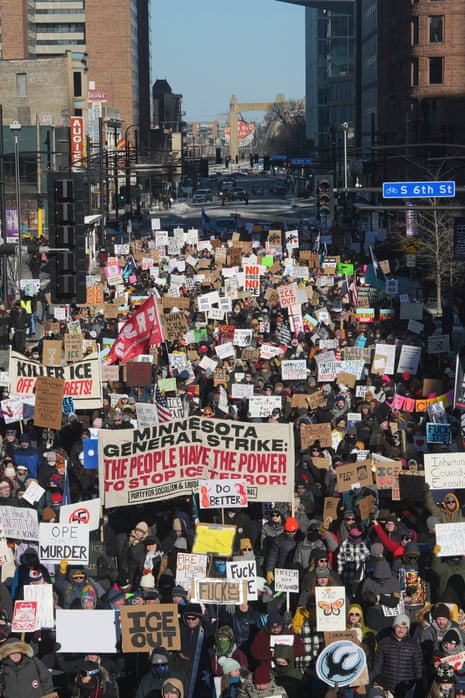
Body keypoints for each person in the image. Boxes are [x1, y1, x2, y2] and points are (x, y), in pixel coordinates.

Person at [372, 613, 423, 698]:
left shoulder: (414, 645)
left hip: (407, 688)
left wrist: (419, 687)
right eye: (398, 627)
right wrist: (377, 682)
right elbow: (378, 666)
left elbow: (418, 668)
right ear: (394, 627)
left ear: (407, 629)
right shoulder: (384, 643)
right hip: (388, 688)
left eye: (404, 628)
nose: (401, 630)